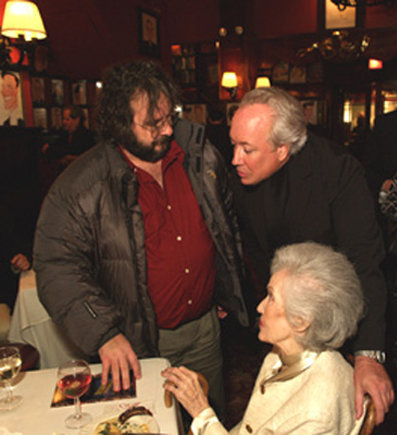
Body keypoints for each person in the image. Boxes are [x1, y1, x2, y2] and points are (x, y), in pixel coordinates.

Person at [33, 60, 249, 418]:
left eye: (170, 117)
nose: (167, 130)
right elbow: (57, 266)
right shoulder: (82, 184)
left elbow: (227, 225)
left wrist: (226, 285)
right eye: (153, 123)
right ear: (120, 125)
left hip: (205, 332)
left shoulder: (199, 156)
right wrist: (103, 333)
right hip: (139, 345)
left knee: (210, 420)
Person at [228, 87, 394, 424]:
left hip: (338, 325)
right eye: (233, 144)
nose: (235, 159)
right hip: (282, 323)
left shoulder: (339, 172)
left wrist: (368, 355)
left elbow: (366, 264)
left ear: (283, 150)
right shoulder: (242, 174)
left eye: (247, 149)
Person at [163, 242, 366, 434]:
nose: (260, 307)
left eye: (271, 297)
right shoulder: (285, 352)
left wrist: (201, 412)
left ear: (301, 321)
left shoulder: (316, 416)